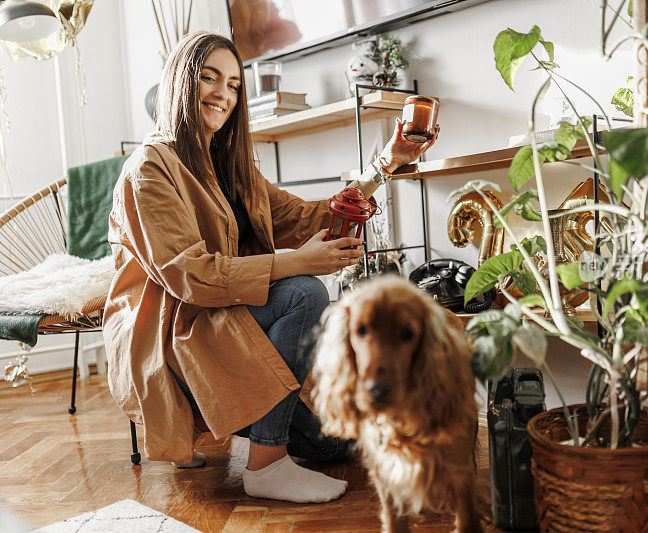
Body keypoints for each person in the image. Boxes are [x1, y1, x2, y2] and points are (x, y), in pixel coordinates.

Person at [102, 31, 438, 504]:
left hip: (228, 316)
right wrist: (293, 263)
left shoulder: (230, 165)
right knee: (304, 292)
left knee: (333, 443)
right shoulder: (149, 168)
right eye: (209, 78)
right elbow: (189, 276)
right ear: (181, 80)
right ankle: (266, 463)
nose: (223, 93)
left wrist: (388, 162)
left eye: (235, 85)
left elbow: (308, 218)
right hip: (174, 331)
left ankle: (255, 426)